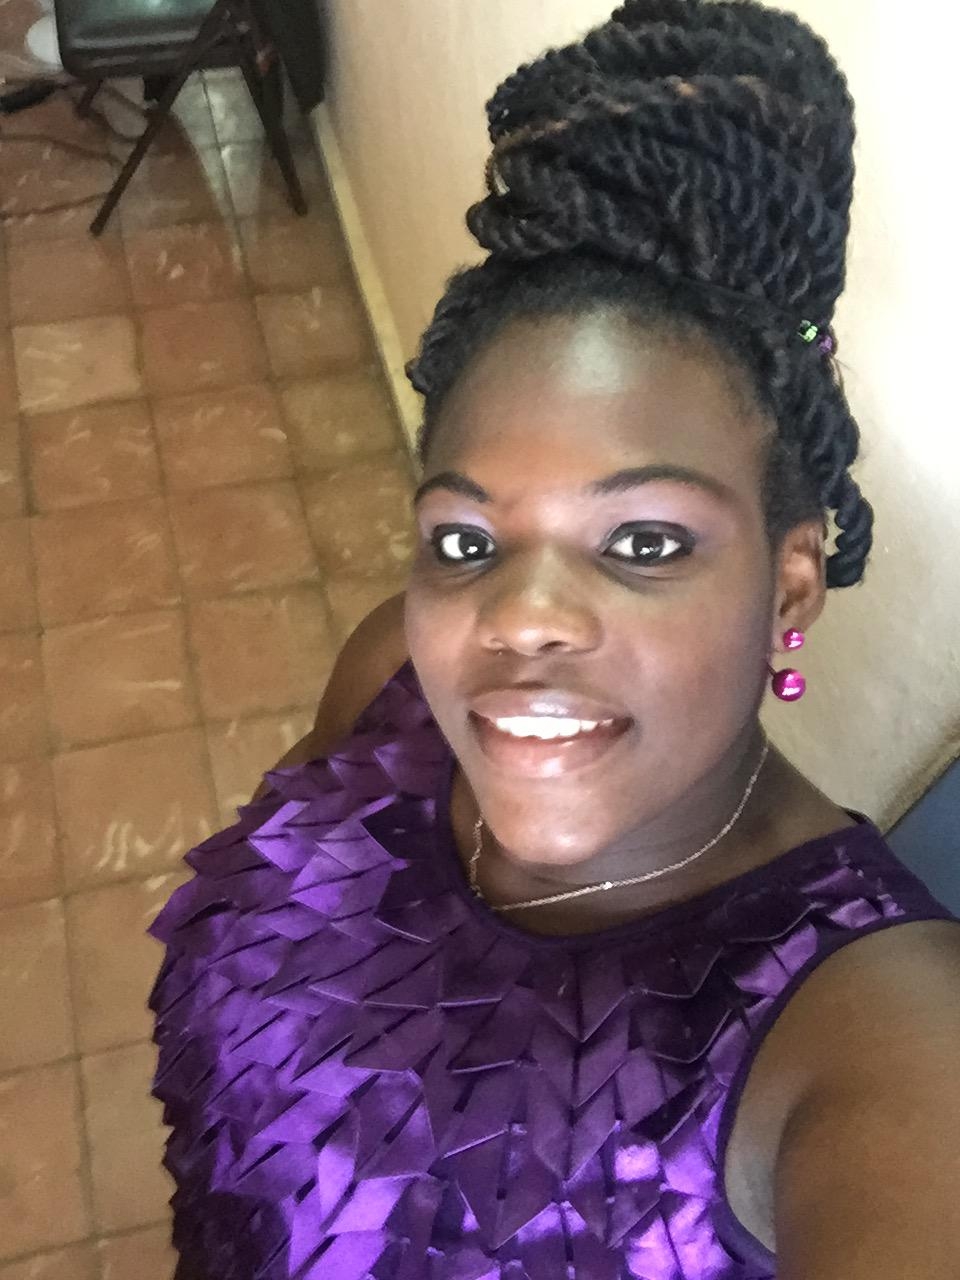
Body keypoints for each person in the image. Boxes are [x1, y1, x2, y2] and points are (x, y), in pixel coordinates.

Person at [149, 2, 960, 1277]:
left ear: (790, 582)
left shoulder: (874, 1041)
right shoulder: (391, 676)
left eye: (644, 538)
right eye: (467, 538)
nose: (518, 616)